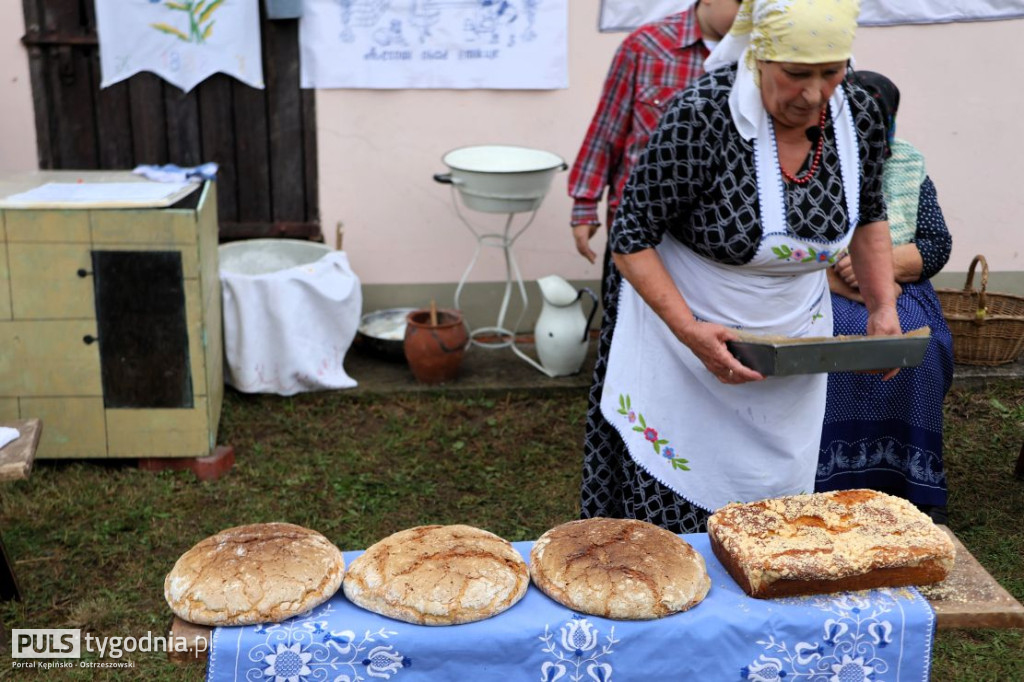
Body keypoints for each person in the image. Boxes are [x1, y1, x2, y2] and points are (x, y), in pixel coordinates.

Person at [581, 0, 902, 534]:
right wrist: (689, 332)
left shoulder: (859, 114)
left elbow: (869, 214)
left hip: (792, 339)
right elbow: (631, 235)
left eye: (831, 72)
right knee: (674, 521)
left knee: (771, 512)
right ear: (759, 58)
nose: (815, 94)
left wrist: (882, 307)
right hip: (684, 337)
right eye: (796, 75)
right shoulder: (701, 115)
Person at [816, 70, 954, 523]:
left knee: (920, 345)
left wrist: (879, 267)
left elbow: (935, 245)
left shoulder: (908, 163)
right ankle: (824, 482)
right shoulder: (808, 160)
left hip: (900, 285)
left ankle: (908, 486)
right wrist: (846, 275)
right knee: (837, 341)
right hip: (819, 285)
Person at [568, 0, 742, 272]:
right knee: (626, 310)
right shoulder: (646, 46)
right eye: (743, 3)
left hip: (717, 231)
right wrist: (585, 204)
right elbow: (608, 126)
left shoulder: (759, 56)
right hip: (639, 225)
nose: (750, 14)